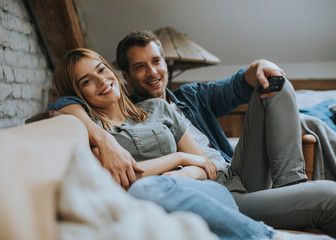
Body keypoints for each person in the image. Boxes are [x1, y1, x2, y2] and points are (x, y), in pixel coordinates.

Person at [48, 31, 336, 237]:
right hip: (209, 191)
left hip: (231, 171)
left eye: (156, 61)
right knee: (329, 196)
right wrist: (104, 139)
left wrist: (259, 65)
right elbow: (59, 106)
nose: (152, 72)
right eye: (139, 66)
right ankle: (291, 205)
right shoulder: (107, 124)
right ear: (126, 76)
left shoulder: (181, 99)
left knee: (276, 83)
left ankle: (290, 189)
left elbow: (237, 84)